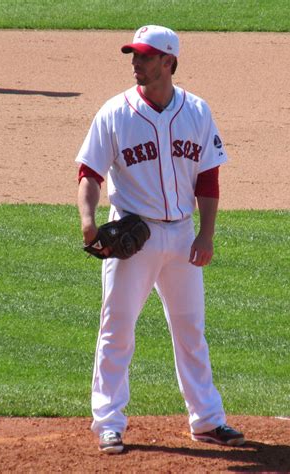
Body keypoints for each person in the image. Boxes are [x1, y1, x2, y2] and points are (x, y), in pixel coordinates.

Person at [76, 25, 245, 454]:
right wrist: (88, 221)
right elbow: (89, 174)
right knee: (117, 330)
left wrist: (206, 234)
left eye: (145, 56)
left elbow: (208, 178)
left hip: (183, 236)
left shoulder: (198, 111)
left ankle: (206, 420)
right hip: (134, 237)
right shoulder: (115, 112)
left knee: (191, 330)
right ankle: (108, 422)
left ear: (168, 62)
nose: (136, 62)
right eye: (134, 55)